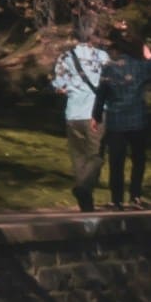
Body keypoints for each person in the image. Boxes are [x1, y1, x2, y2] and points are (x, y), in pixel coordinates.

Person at [49, 13, 112, 215]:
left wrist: (70, 88)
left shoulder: (65, 57)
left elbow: (59, 86)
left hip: (73, 113)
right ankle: (84, 188)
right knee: (96, 156)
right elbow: (110, 85)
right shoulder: (102, 57)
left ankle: (86, 202)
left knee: (78, 157)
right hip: (96, 113)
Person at [98, 24, 151, 210]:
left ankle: (116, 199)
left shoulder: (110, 67)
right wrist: (150, 56)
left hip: (116, 119)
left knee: (116, 161)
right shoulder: (141, 67)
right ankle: (135, 195)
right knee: (138, 159)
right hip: (137, 119)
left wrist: (96, 115)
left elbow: (102, 93)